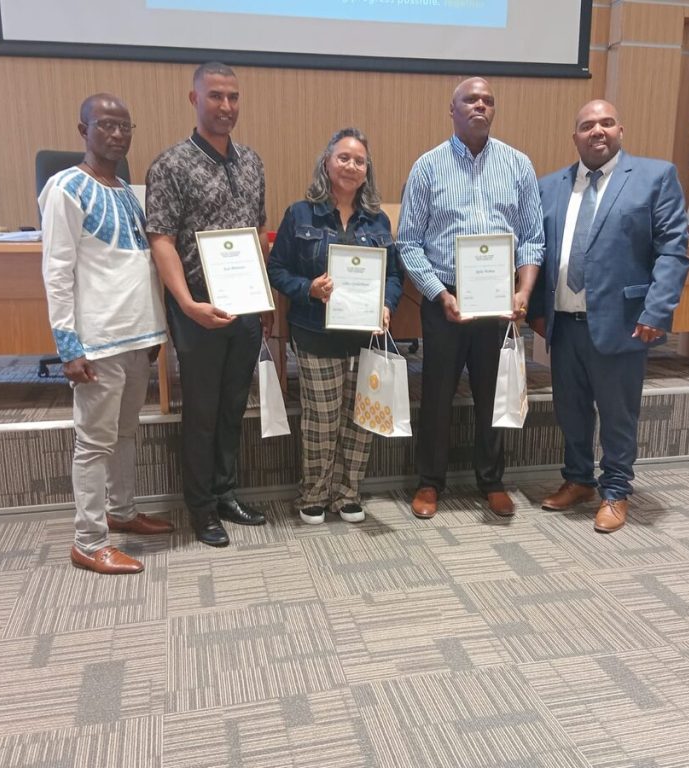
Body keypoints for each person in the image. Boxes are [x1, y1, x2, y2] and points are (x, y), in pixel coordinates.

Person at [530, 99, 689, 533]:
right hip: (564, 324)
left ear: (620, 129)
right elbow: (537, 255)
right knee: (571, 409)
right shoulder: (550, 186)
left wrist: (658, 309)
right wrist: (536, 313)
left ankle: (616, 490)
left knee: (619, 413)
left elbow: (673, 250)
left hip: (624, 322)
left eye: (605, 123)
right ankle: (578, 480)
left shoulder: (655, 177)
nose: (596, 131)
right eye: (586, 125)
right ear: (575, 136)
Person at [397, 77, 544, 520]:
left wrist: (523, 291)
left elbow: (533, 240)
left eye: (488, 100)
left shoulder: (519, 165)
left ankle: (492, 480)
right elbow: (408, 243)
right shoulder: (427, 167)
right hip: (446, 300)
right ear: (453, 109)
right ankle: (429, 482)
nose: (480, 105)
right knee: (437, 394)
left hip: (498, 301)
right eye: (470, 100)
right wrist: (439, 294)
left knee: (492, 394)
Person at [40, 93, 171, 575]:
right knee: (94, 443)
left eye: (125, 126)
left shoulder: (129, 194)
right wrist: (67, 348)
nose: (117, 135)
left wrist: (156, 330)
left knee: (125, 433)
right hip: (96, 342)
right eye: (106, 126)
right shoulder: (65, 189)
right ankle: (89, 540)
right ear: (83, 130)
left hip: (138, 335)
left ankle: (121, 512)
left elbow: (143, 266)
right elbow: (56, 271)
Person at [146, 62, 269, 548]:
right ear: (194, 99)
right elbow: (161, 241)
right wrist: (186, 303)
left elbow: (257, 233)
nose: (226, 106)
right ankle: (199, 509)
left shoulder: (252, 162)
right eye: (215, 96)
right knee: (200, 410)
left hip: (243, 309)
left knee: (232, 407)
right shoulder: (171, 165)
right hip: (198, 311)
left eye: (233, 97)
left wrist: (261, 296)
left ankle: (225, 492)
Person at [267, 128, 404, 525]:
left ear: (367, 171)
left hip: (364, 337)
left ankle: (348, 494)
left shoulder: (378, 221)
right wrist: (307, 288)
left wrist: (386, 303)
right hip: (315, 334)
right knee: (323, 419)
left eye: (359, 160)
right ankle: (314, 494)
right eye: (343, 157)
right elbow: (277, 269)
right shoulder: (300, 213)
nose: (351, 166)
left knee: (361, 419)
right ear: (326, 163)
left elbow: (393, 276)